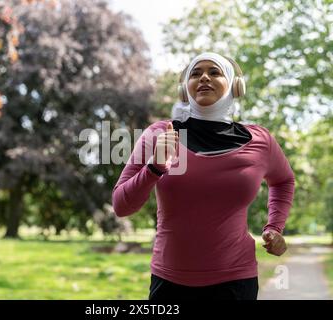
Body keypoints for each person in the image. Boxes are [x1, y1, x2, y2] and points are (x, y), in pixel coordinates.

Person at [112, 52, 295, 300]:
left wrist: (275, 227)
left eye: (215, 72)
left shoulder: (260, 141)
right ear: (185, 89)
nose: (204, 78)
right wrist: (154, 168)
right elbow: (121, 206)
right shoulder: (160, 134)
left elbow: (284, 181)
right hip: (169, 282)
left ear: (234, 85)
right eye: (195, 74)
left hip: (236, 281)